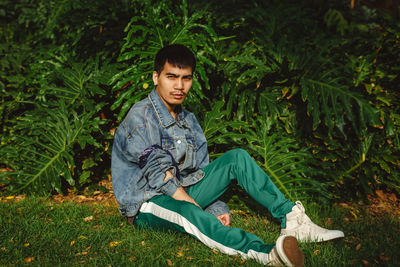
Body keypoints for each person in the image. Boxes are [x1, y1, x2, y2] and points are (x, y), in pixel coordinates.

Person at [111, 44, 344, 266]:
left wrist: (216, 208)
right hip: (149, 202)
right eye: (171, 77)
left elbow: (200, 172)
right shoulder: (141, 117)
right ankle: (266, 253)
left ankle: (292, 220)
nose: (179, 86)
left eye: (186, 78)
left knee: (237, 157)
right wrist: (197, 205)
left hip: (181, 188)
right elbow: (158, 176)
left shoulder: (189, 120)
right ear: (156, 77)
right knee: (189, 211)